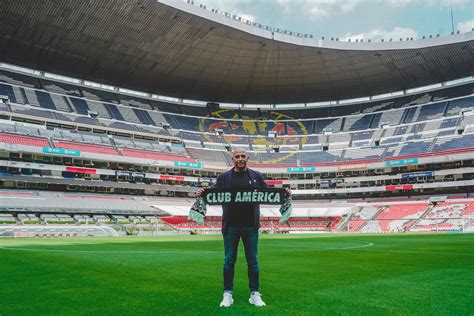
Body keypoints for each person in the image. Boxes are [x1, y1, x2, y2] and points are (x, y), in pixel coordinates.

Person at [198, 147, 289, 308]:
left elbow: (268, 193)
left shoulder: (256, 176)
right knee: (229, 261)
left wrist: (284, 193)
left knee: (253, 261)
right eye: (237, 156)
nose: (240, 159)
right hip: (231, 226)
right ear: (232, 159)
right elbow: (214, 194)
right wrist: (203, 193)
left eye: (243, 156)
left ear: (247, 158)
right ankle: (227, 294)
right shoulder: (224, 177)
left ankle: (254, 294)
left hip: (251, 225)